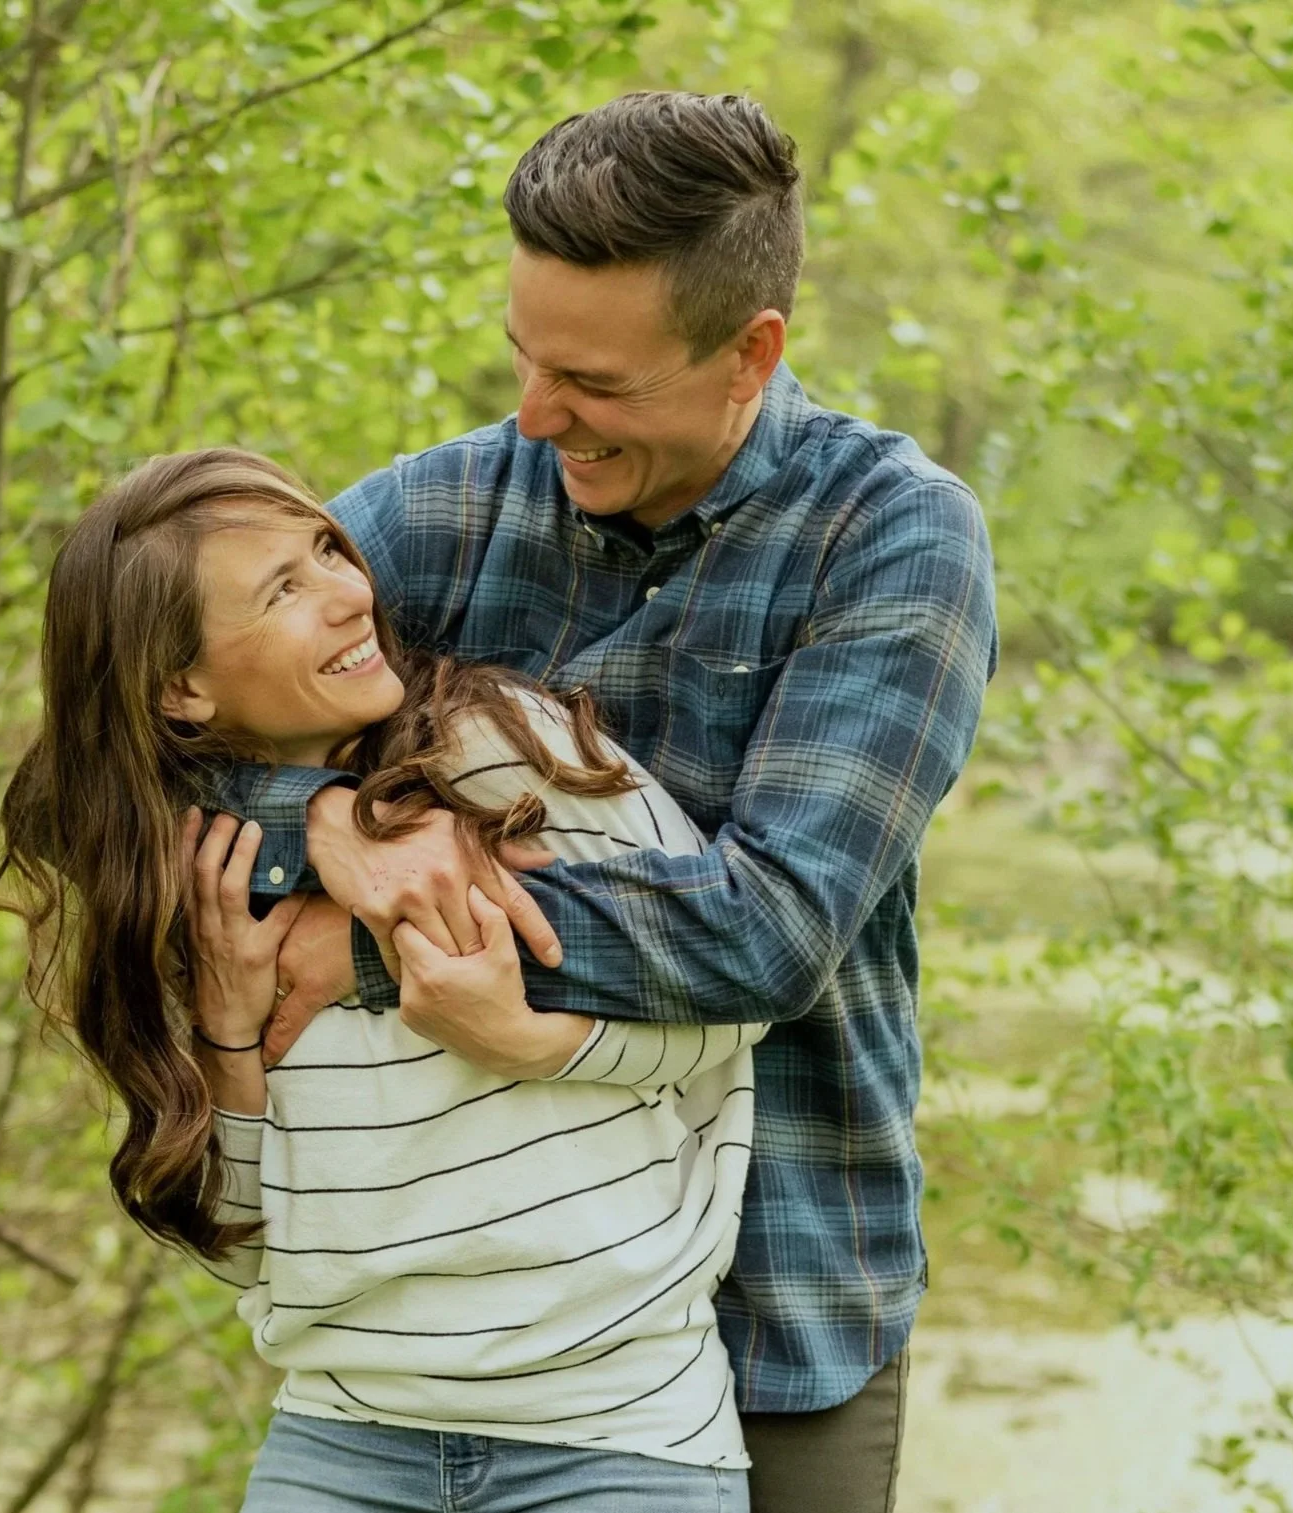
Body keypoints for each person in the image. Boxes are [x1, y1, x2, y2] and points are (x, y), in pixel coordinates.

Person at [224, 91, 998, 1513]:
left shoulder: (889, 537)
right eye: (525, 356)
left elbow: (767, 926)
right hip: (453, 1327)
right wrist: (318, 821)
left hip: (778, 1291)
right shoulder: (439, 511)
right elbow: (153, 742)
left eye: (593, 380)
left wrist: (379, 942)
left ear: (749, 353)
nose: (534, 414)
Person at [0, 449, 768, 1511]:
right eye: (283, 590)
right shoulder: (199, 880)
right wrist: (228, 1038)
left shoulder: (511, 753)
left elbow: (727, 1004)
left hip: (616, 1433)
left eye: (327, 554)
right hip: (342, 1444)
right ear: (181, 686)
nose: (351, 592)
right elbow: (238, 1242)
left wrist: (534, 1036)